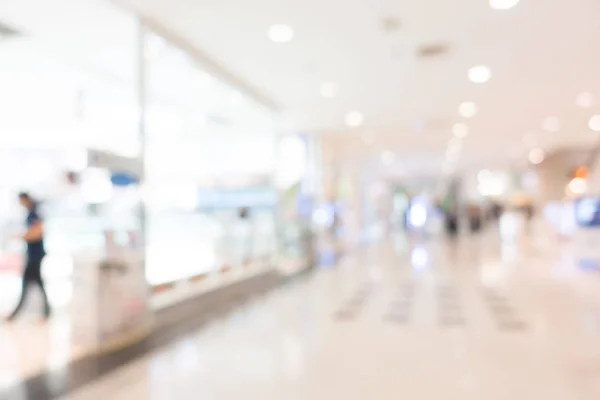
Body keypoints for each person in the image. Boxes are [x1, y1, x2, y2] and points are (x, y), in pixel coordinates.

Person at [6, 192, 51, 322]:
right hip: (33, 254)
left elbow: (37, 232)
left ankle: (14, 315)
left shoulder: (34, 212)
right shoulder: (32, 211)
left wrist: (21, 236)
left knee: (27, 284)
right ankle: (46, 313)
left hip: (35, 255)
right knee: (37, 284)